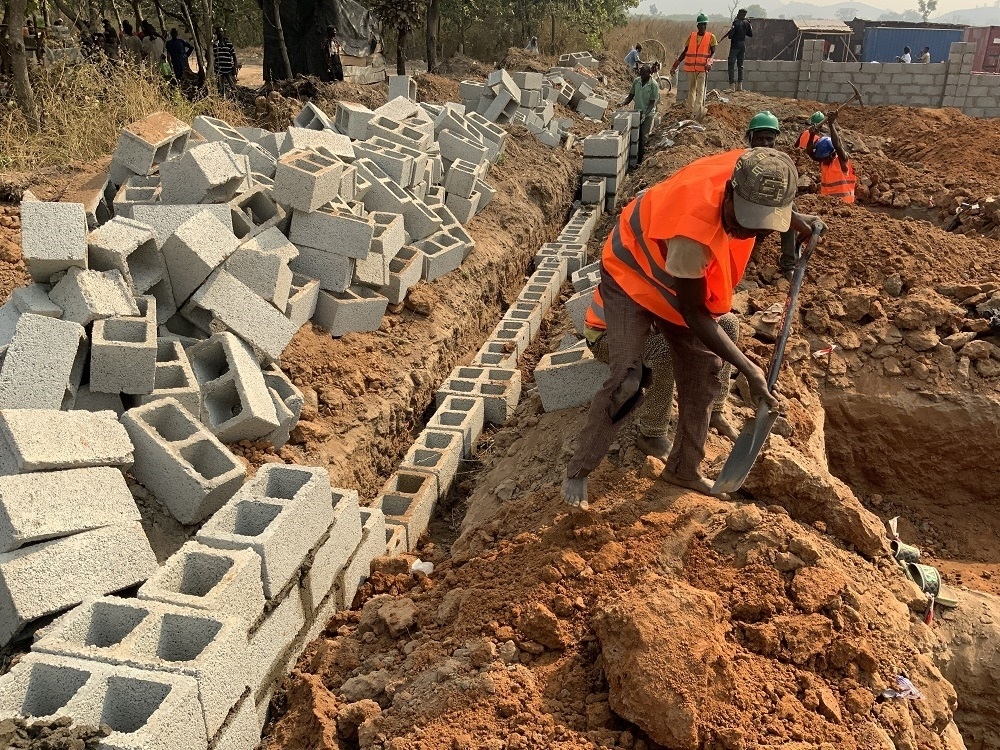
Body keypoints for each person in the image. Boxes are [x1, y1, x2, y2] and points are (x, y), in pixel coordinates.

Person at [561, 148, 825, 507]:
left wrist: (798, 221)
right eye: (743, 218)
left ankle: (684, 469)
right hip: (633, 273)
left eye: (759, 222)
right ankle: (579, 470)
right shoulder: (692, 234)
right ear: (730, 193)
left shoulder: (755, 171)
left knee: (703, 373)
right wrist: (750, 369)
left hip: (677, 280)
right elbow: (693, 313)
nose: (744, 229)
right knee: (628, 379)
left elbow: (768, 201)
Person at [670, 14, 716, 121]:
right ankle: (690, 111)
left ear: (706, 25)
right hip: (691, 68)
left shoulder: (711, 37)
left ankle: (696, 113)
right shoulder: (692, 36)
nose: (703, 27)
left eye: (704, 25)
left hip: (703, 68)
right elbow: (685, 52)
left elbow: (713, 53)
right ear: (697, 26)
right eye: (701, 25)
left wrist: (709, 62)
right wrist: (675, 66)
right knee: (691, 90)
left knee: (700, 91)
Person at [807, 110, 856, 203]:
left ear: (832, 154)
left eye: (825, 158)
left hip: (844, 207)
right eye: (822, 158)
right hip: (827, 206)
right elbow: (810, 152)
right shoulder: (824, 161)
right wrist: (811, 136)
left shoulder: (842, 161)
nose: (823, 160)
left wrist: (831, 124)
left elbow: (837, 146)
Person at [621, 64, 659, 166]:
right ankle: (633, 158)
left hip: (648, 113)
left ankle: (641, 161)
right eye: (640, 74)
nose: (641, 76)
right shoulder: (636, 81)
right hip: (637, 112)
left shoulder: (654, 85)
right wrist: (623, 103)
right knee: (634, 136)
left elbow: (652, 102)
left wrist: (645, 115)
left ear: (649, 74)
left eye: (643, 74)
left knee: (643, 136)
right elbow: (631, 95)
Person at [721, 8, 752, 91]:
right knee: (740, 65)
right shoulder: (747, 23)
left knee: (731, 64)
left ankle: (732, 85)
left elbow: (730, 36)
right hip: (742, 46)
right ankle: (740, 85)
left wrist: (732, 30)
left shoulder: (736, 22)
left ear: (739, 13)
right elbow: (750, 34)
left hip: (735, 46)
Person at [213, 27, 239, 97]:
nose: (221, 33)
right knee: (220, 88)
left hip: (228, 69)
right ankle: (222, 104)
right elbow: (210, 56)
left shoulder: (228, 44)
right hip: (219, 70)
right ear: (216, 34)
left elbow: (234, 56)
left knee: (233, 86)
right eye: (219, 32)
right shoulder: (215, 45)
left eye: (222, 32)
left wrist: (235, 68)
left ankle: (235, 101)